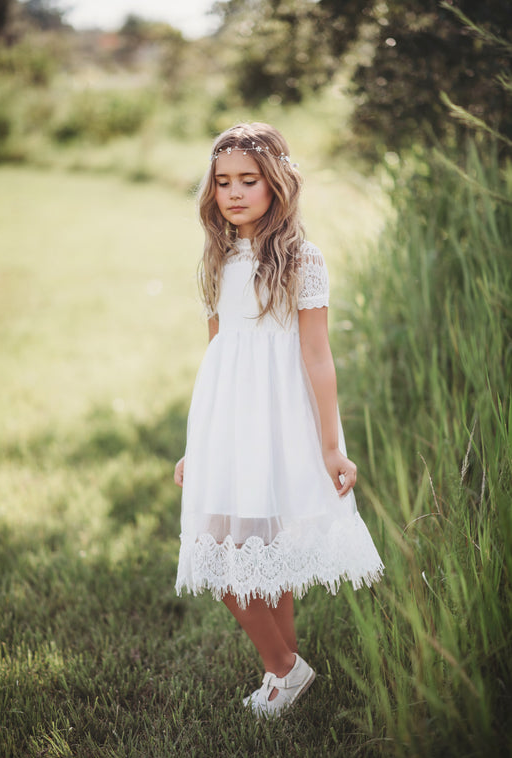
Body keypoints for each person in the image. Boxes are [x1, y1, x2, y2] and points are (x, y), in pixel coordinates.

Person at [174, 122, 384, 717]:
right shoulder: (217, 258)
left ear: (277, 184)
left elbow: (317, 356)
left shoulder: (299, 258)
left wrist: (330, 446)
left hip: (281, 418)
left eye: (249, 180)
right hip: (227, 420)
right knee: (226, 554)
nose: (234, 192)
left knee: (269, 551)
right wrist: (199, 444)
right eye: (222, 182)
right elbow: (216, 353)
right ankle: (285, 669)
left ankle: (282, 671)